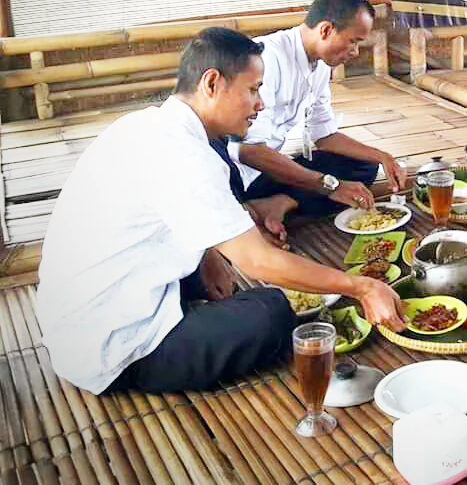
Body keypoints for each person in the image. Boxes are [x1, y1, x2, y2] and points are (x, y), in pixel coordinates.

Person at [36, 27, 405, 395]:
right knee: (272, 312)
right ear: (211, 83)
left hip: (81, 319)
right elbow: (258, 262)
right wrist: (361, 286)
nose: (259, 104)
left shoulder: (149, 126)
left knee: (230, 277)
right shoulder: (183, 153)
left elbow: (173, 217)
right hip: (114, 349)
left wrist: (207, 252)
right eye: (252, 90)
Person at [221, 0, 407, 246]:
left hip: (272, 169)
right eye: (353, 41)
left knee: (363, 165)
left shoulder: (318, 65)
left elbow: (324, 136)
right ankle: (261, 207)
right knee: (337, 185)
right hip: (241, 178)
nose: (355, 52)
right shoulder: (269, 59)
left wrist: (383, 157)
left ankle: (281, 203)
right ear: (326, 30)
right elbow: (247, 151)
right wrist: (329, 185)